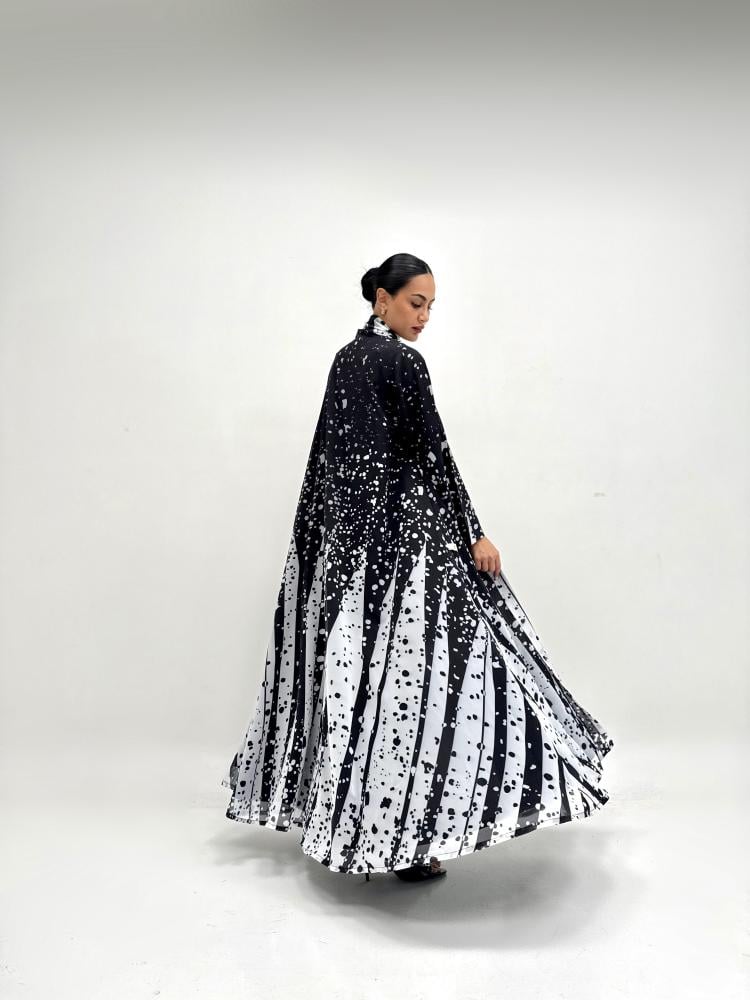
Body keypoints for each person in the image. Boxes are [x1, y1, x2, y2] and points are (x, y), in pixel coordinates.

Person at [222, 252, 614, 883]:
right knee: (444, 679)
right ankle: (415, 836)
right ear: (382, 299)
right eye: (415, 303)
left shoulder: (344, 360)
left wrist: (327, 545)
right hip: (411, 543)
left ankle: (378, 837)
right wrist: (473, 531)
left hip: (355, 551)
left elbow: (327, 462)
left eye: (431, 306)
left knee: (372, 687)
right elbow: (436, 455)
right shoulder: (403, 363)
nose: (425, 316)